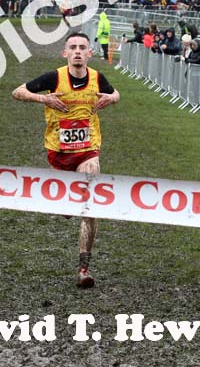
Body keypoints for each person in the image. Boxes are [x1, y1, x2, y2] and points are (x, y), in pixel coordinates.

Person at [12, 31, 120, 288]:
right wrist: (43, 98)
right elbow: (17, 92)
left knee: (89, 203)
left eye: (83, 47)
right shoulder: (54, 77)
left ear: (90, 53)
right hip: (58, 154)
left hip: (88, 149)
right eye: (73, 47)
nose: (78, 51)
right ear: (65, 53)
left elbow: (116, 94)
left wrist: (111, 98)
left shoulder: (97, 77)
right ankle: (66, 202)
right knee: (67, 206)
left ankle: (84, 268)